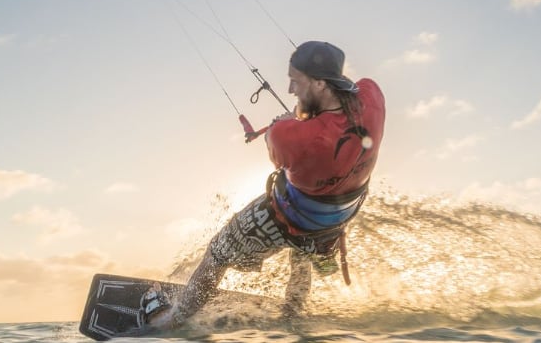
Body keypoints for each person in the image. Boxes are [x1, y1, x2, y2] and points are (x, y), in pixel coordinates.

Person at [145, 40, 386, 329]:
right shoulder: (374, 97)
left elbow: (281, 142)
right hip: (337, 219)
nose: (289, 90)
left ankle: (169, 321)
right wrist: (310, 112)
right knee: (303, 251)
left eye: (295, 81)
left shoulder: (289, 137)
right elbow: (349, 95)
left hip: (290, 217)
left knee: (217, 254)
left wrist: (288, 122)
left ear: (321, 84)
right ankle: (292, 315)